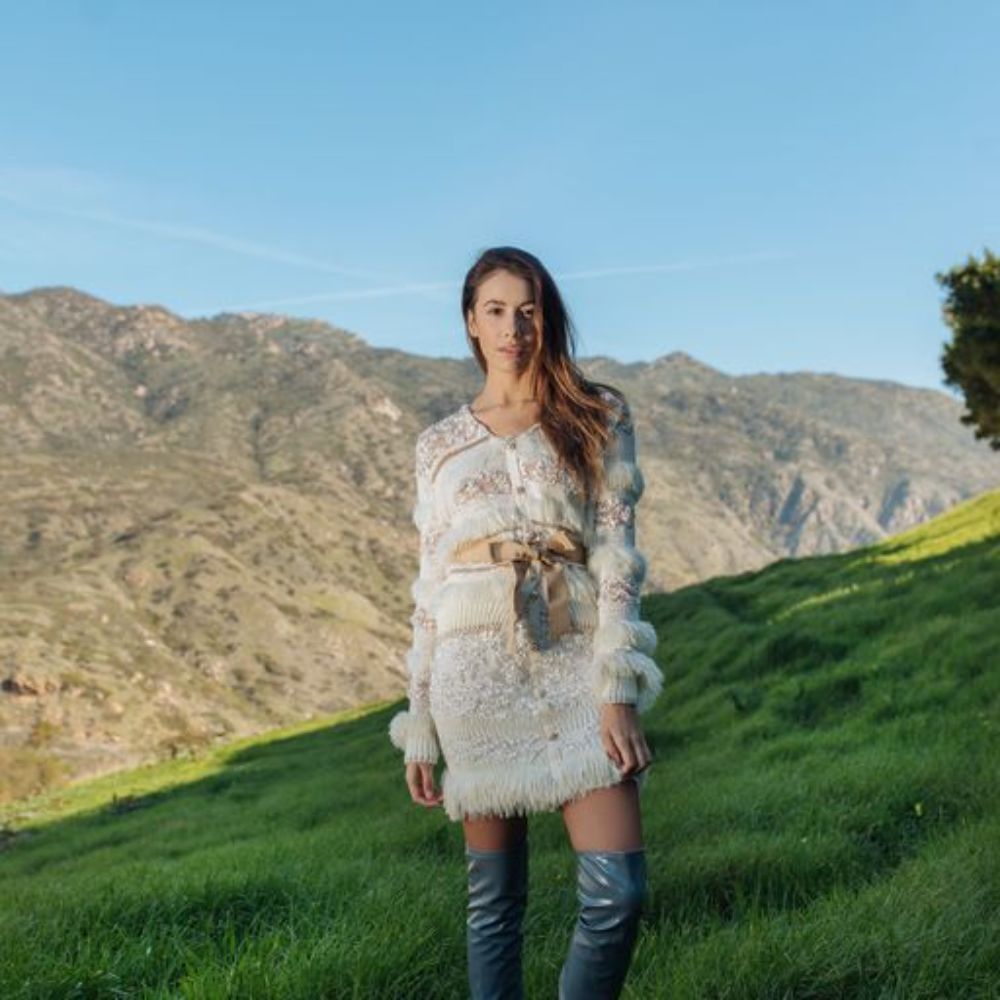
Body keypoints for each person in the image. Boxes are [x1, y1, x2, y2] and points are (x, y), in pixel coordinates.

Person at [388, 245, 664, 999]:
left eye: (531, 308)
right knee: (493, 908)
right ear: (472, 324)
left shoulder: (598, 412)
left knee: (618, 894)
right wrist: (419, 717)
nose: (516, 326)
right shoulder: (437, 445)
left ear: (550, 316)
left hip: (576, 654)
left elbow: (618, 557)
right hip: (471, 670)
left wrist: (617, 687)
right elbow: (427, 583)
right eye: (498, 311)